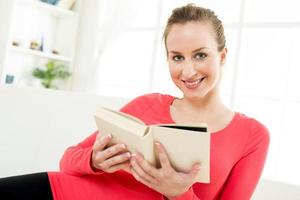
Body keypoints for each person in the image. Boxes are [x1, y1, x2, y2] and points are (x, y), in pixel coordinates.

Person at [0, 4, 270, 200]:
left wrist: (179, 194)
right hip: (65, 192)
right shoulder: (146, 104)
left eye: (200, 55)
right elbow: (67, 160)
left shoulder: (252, 136)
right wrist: (94, 160)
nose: (188, 71)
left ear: (222, 56)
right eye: (177, 57)